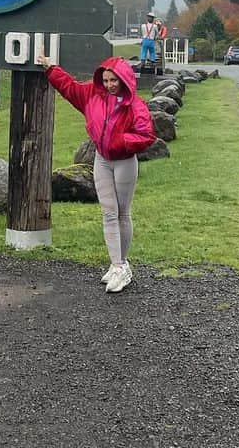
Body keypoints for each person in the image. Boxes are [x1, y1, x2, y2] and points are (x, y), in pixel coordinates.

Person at [38, 53, 155, 292]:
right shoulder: (92, 95)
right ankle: (117, 265)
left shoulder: (135, 105)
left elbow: (146, 135)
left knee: (122, 213)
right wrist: (51, 68)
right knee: (108, 212)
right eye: (106, 80)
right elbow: (69, 87)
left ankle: (121, 266)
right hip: (101, 161)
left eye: (114, 80)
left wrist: (120, 141)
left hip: (124, 163)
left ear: (124, 79)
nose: (110, 84)